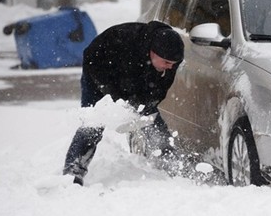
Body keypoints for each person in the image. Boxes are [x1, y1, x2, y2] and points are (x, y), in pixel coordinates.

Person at [63, 20, 184, 186]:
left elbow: (161, 88)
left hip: (135, 80)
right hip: (98, 74)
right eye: (167, 63)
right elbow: (92, 59)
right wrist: (115, 98)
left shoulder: (171, 58)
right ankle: (73, 171)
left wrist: (145, 104)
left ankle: (171, 163)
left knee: (151, 118)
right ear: (152, 53)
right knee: (94, 123)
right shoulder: (125, 41)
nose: (171, 68)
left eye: (174, 64)